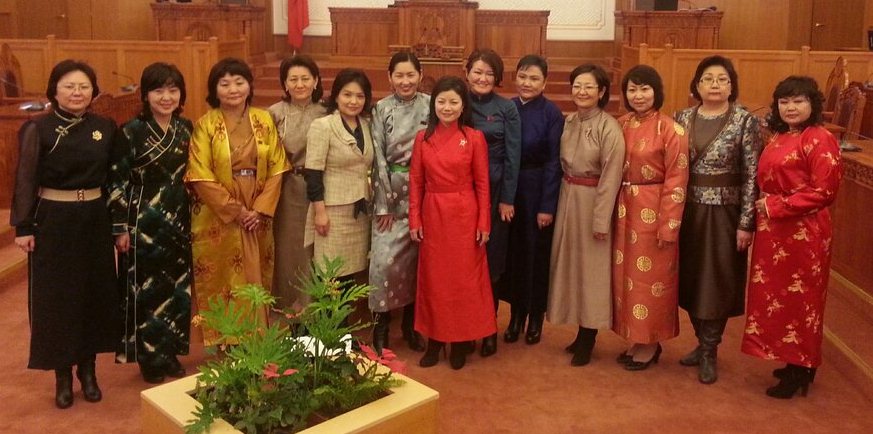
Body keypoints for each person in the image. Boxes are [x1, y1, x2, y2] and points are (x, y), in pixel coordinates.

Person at [11, 59, 121, 408]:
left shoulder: (105, 127)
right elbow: (25, 178)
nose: (77, 92)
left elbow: (115, 179)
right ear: (54, 91)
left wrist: (119, 225)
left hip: (94, 218)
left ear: (94, 91)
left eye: (84, 86)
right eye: (69, 86)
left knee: (93, 294)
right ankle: (62, 375)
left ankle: (88, 372)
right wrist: (23, 225)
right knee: (59, 299)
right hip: (54, 221)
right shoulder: (38, 128)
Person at [741, 76, 842, 399]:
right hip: (775, 232)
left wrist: (776, 205)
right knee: (776, 297)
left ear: (813, 104)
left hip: (804, 232)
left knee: (801, 299)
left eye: (798, 101)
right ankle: (793, 360)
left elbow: (824, 192)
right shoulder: (781, 135)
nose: (791, 108)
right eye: (784, 102)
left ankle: (802, 366)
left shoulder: (820, 139)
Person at [185, 57, 288, 346]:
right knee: (225, 277)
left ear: (249, 86)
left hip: (257, 206)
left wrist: (259, 209)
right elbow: (200, 174)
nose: (233, 89)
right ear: (214, 90)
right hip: (220, 211)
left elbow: (278, 167)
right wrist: (236, 210)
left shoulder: (264, 119)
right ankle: (226, 342)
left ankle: (256, 341)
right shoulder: (205, 125)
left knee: (255, 274)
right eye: (225, 83)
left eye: (239, 82)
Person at [674, 56, 762, 384]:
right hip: (687, 211)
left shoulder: (744, 121)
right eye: (708, 79)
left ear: (731, 86)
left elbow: (752, 175)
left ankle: (710, 349)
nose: (715, 85)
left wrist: (746, 222)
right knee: (691, 278)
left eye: (722, 79)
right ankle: (701, 341)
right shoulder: (681, 117)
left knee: (718, 280)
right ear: (696, 85)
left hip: (725, 213)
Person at [109, 62, 194, 383]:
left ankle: (170, 352)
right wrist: (120, 227)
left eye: (173, 90)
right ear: (145, 95)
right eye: (158, 90)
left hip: (180, 218)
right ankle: (148, 357)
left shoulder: (186, 128)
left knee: (177, 289)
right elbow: (116, 181)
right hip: (143, 221)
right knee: (146, 292)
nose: (166, 97)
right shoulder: (130, 131)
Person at [409, 76, 494, 370]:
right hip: (433, 212)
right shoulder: (423, 138)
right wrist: (414, 217)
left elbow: (483, 184)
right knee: (434, 279)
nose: (447, 107)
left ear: (463, 106)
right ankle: (434, 340)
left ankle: (459, 341)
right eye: (441, 101)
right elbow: (416, 181)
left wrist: (484, 222)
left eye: (453, 102)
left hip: (464, 214)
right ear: (433, 104)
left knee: (463, 280)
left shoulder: (474, 138)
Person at [548, 64, 626, 366]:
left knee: (592, 271)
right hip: (568, 197)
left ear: (602, 91)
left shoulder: (609, 127)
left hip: (593, 201)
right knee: (571, 267)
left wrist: (601, 219)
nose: (581, 91)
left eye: (589, 86)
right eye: (577, 85)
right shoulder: (570, 121)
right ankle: (579, 332)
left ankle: (589, 336)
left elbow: (611, 176)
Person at [613, 64, 689, 371]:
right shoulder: (621, 124)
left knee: (651, 279)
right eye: (632, 89)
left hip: (654, 209)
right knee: (627, 279)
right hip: (623, 208)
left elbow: (677, 180)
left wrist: (669, 225)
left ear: (656, 92)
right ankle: (636, 337)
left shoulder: (671, 130)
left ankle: (651, 343)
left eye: (645, 89)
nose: (638, 95)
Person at [369, 52, 430, 354]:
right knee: (383, 264)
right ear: (390, 77)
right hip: (391, 193)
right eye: (399, 75)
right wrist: (383, 205)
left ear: (421, 75)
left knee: (418, 263)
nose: (405, 81)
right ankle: (380, 327)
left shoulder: (431, 105)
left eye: (411, 75)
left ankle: (410, 326)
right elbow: (378, 157)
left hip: (424, 193)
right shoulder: (381, 109)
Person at [502, 55, 563, 346]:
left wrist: (547, 206)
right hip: (510, 191)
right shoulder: (508, 107)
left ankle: (536, 317)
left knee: (536, 256)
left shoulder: (552, 114)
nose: (527, 83)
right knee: (514, 256)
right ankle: (516, 316)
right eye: (523, 77)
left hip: (538, 189)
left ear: (545, 82)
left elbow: (554, 161)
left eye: (534, 78)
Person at [465, 48, 521, 357]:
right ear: (467, 73)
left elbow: (513, 156)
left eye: (489, 73)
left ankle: (488, 328)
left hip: (497, 192)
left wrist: (508, 199)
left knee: (492, 264)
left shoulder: (506, 108)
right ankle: (463, 328)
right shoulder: (457, 101)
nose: (483, 78)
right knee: (464, 263)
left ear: (497, 77)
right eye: (478, 71)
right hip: (462, 194)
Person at [268, 55, 327, 310]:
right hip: (288, 187)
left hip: (322, 187)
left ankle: (315, 306)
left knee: (317, 249)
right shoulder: (274, 114)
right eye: (293, 79)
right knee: (290, 248)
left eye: (305, 78)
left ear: (316, 81)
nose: (299, 84)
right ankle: (288, 306)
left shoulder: (327, 112)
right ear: (285, 84)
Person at [304, 68, 374, 281]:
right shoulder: (323, 126)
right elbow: (313, 173)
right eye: (347, 94)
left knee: (354, 274)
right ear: (336, 96)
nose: (353, 101)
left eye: (360, 96)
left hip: (360, 212)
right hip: (332, 213)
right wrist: (320, 213)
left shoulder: (366, 125)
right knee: (331, 274)